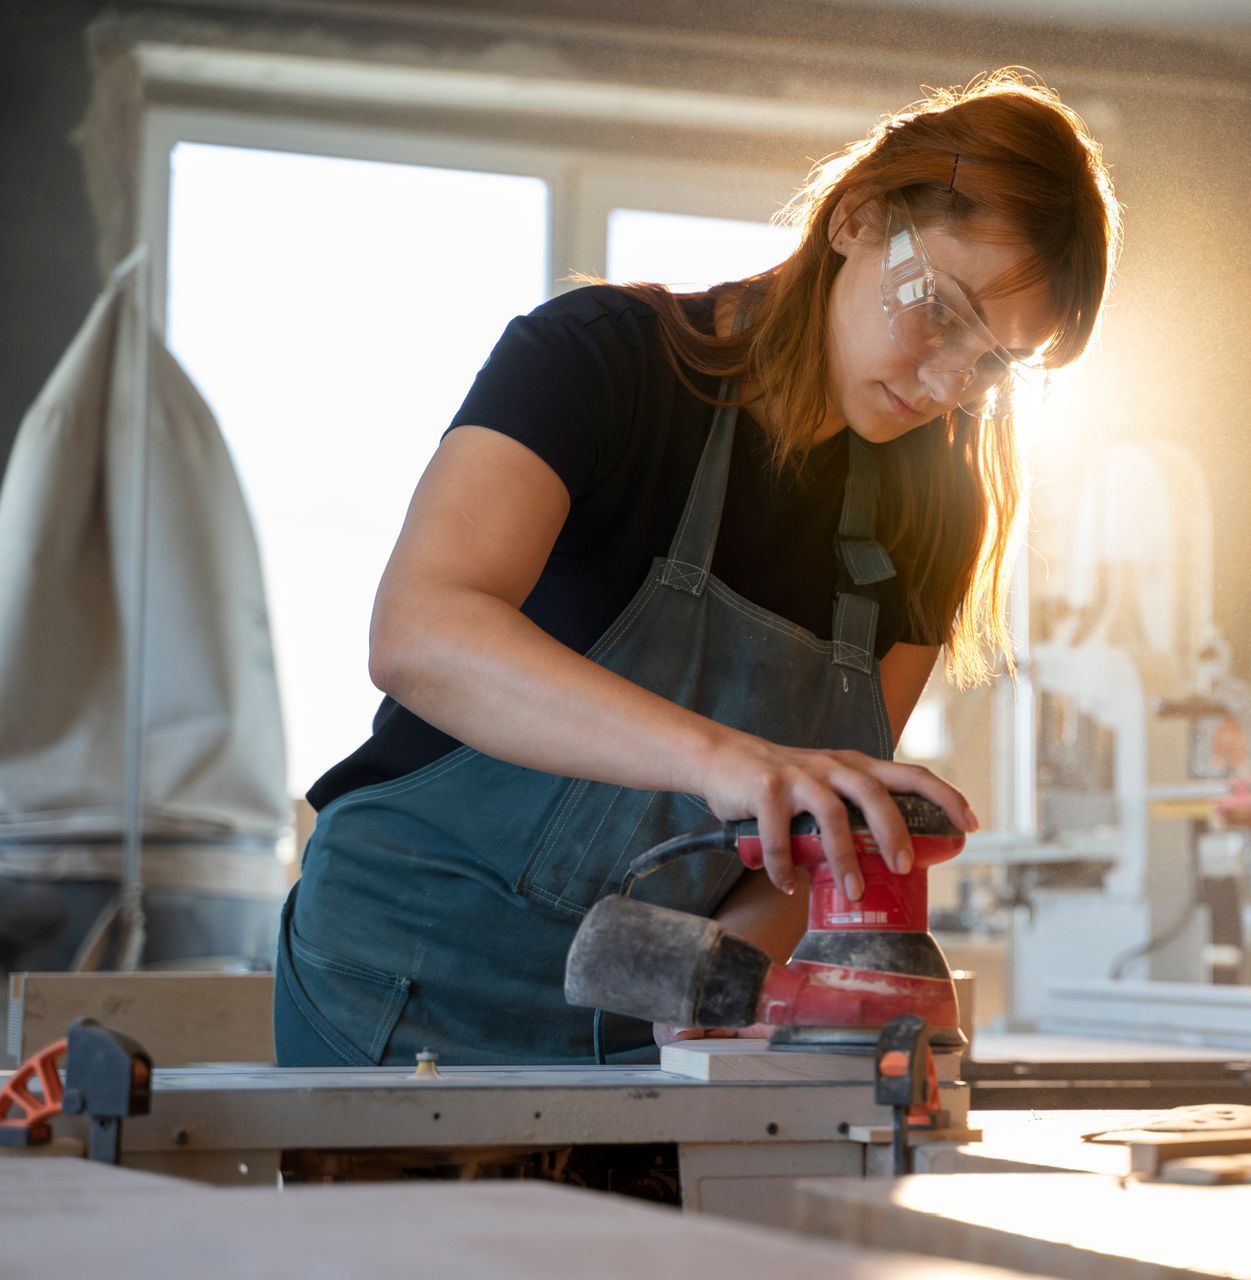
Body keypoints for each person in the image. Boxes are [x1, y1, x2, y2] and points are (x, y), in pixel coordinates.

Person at [273, 69, 1122, 1066]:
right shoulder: (598, 363)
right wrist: (720, 759)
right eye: (940, 310)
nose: (947, 384)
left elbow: (814, 842)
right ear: (857, 218)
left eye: (991, 366)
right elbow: (421, 631)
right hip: (397, 976)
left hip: (638, 1021)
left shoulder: (936, 505)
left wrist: (713, 986)